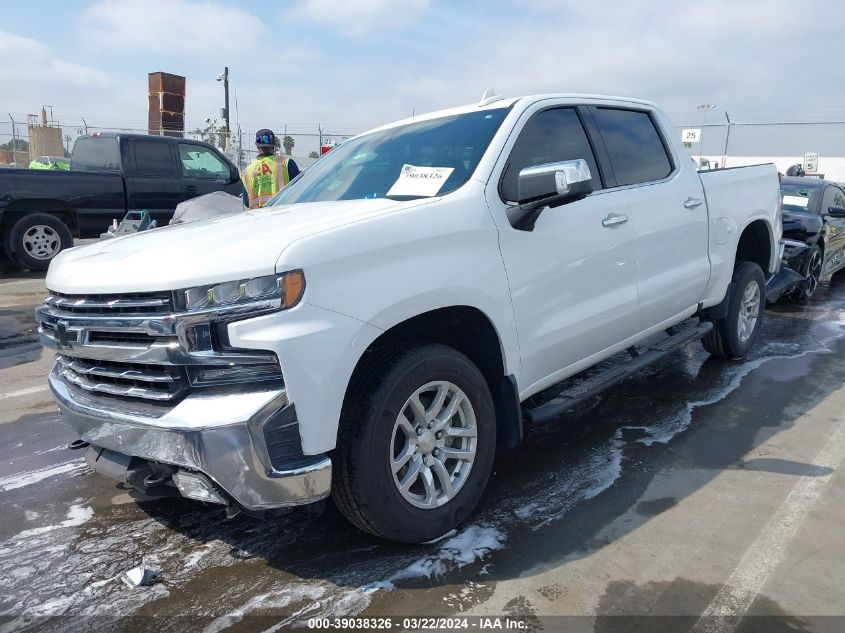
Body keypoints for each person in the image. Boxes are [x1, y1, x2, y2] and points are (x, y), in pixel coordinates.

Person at [240, 129, 300, 209]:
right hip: (283, 215)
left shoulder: (246, 172)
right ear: (273, 145)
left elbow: (247, 202)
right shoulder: (287, 163)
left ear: (257, 146)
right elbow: (299, 190)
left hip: (257, 218)